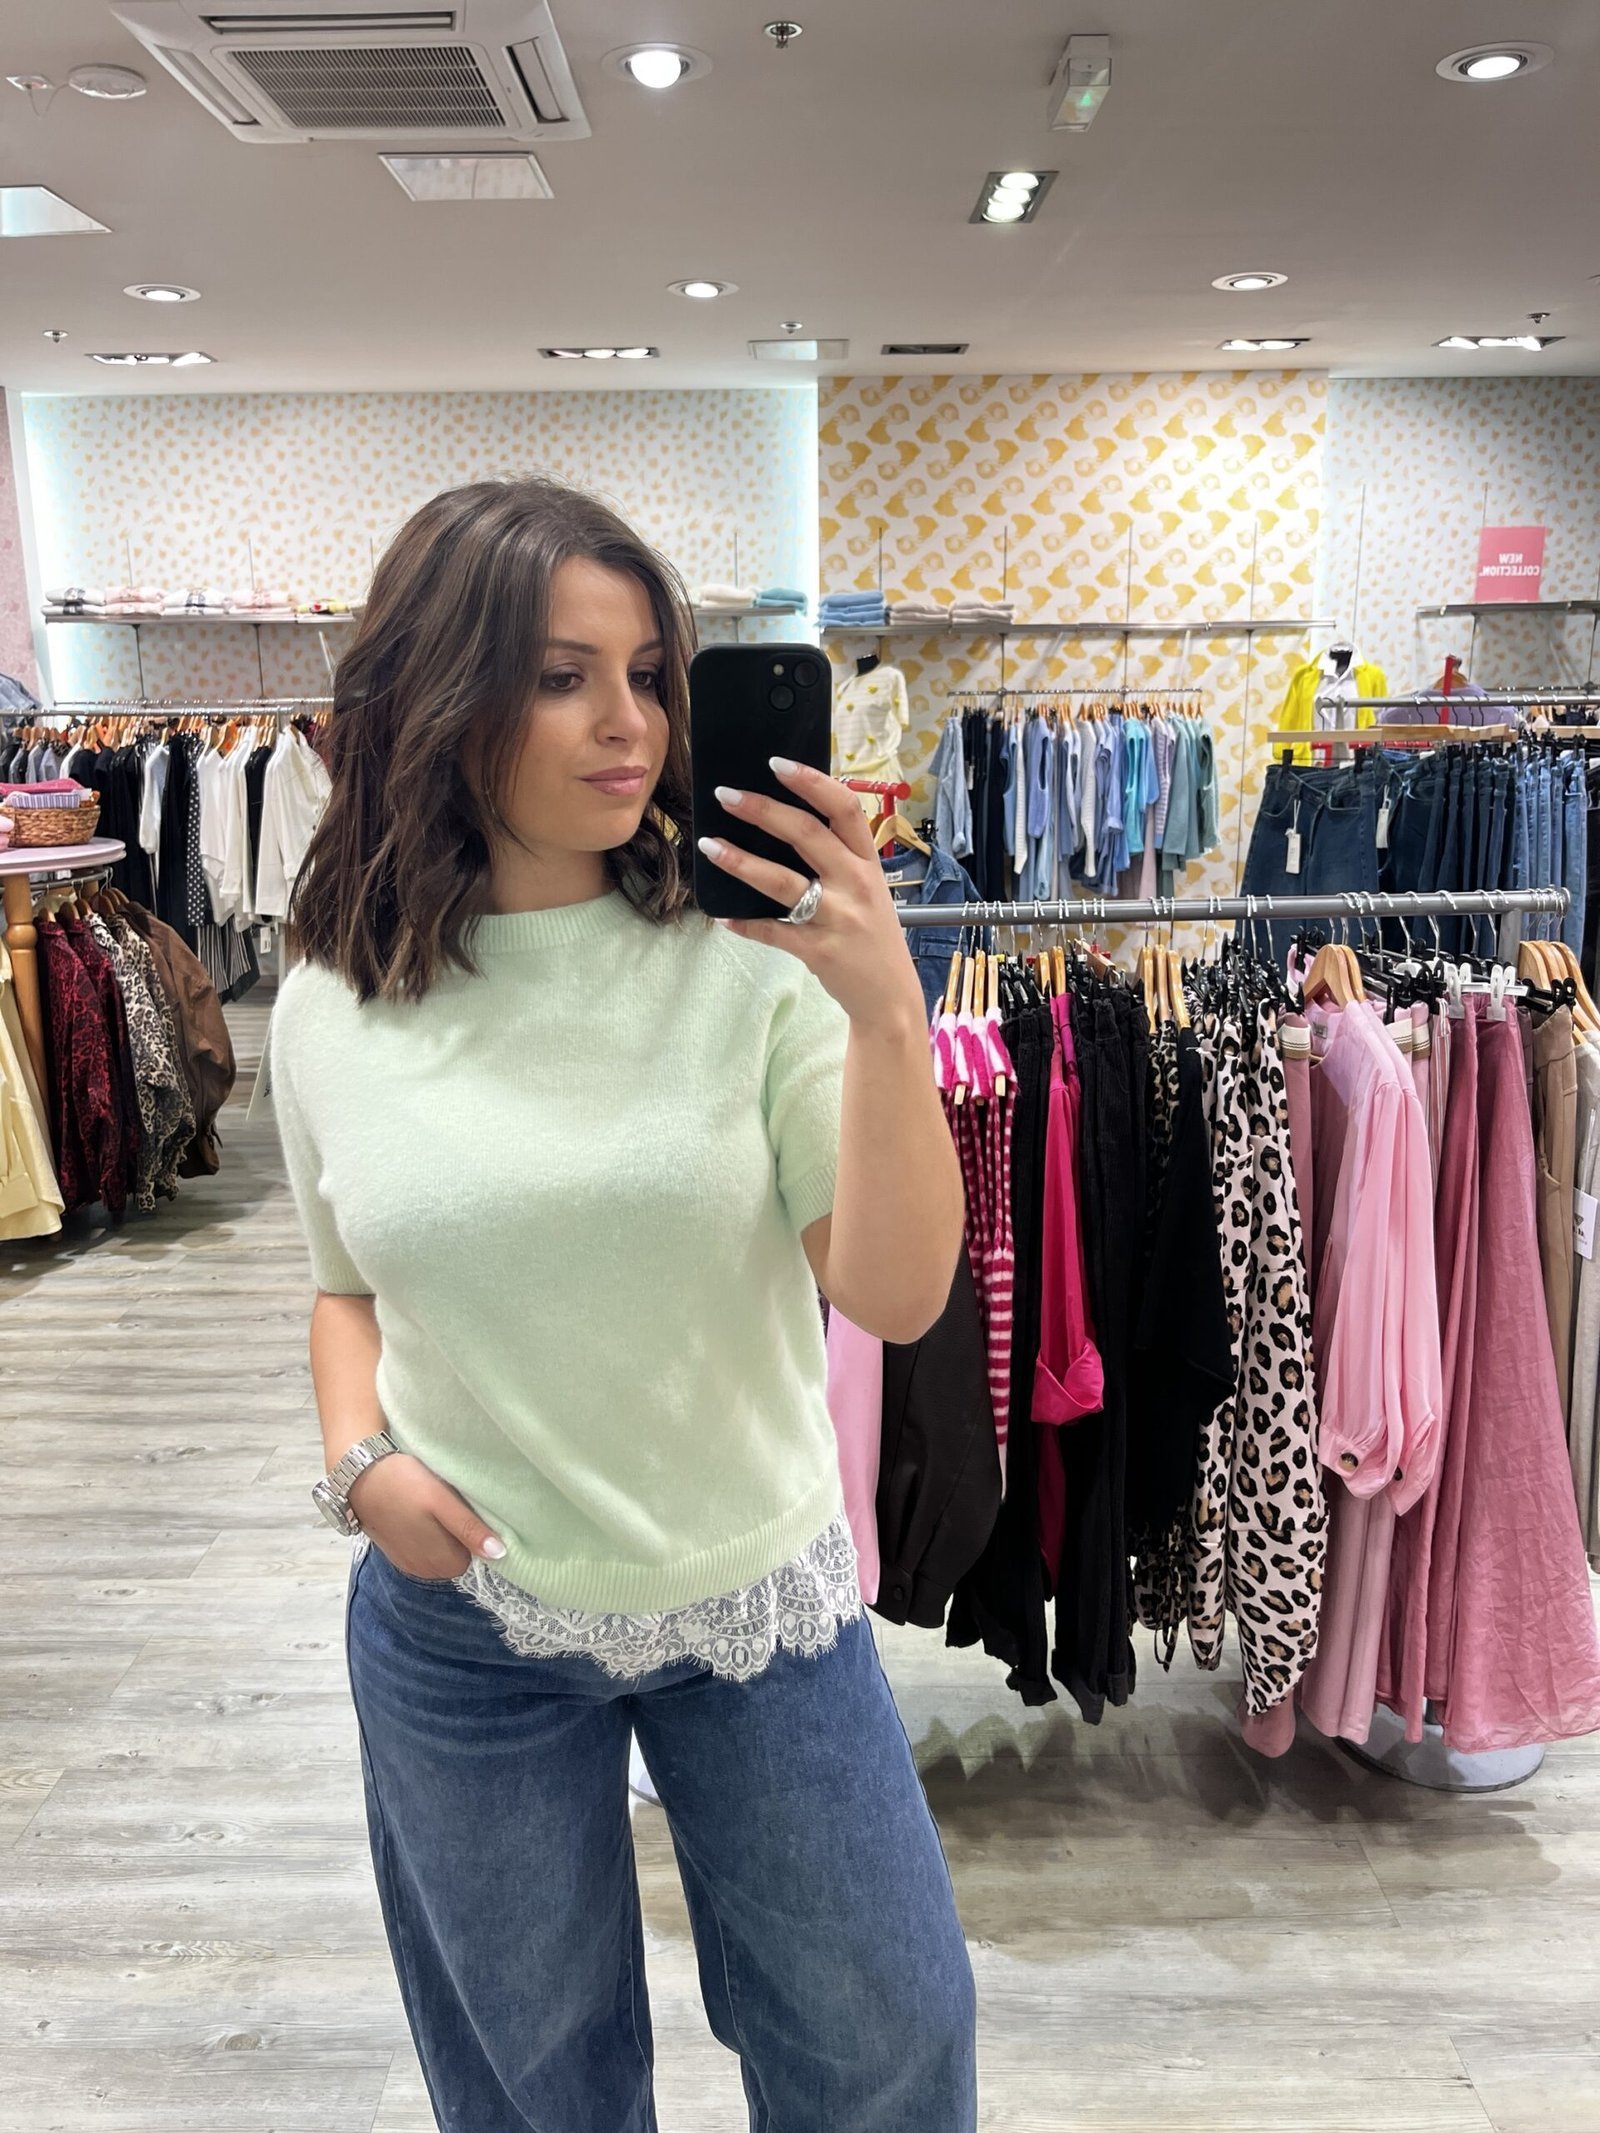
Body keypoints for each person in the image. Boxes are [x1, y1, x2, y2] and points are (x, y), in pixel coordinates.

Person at [270, 476, 975, 2132]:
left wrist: (887, 1015)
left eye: (651, 673)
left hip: (753, 1596)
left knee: (890, 2040)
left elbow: (896, 1290)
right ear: (439, 695)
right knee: (536, 2087)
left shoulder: (754, 960)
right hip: (468, 1625)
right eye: (561, 675)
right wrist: (361, 1460)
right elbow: (343, 1287)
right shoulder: (329, 1003)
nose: (631, 724)